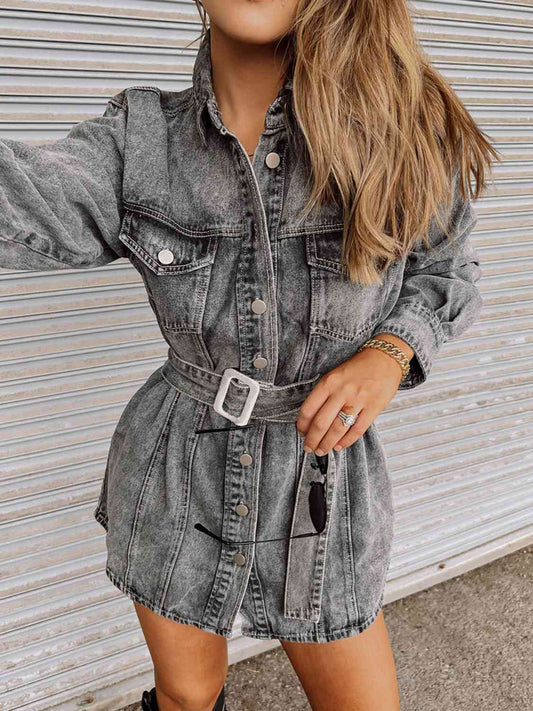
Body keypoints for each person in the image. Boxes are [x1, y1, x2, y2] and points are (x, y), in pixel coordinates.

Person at [0, 1, 500, 709]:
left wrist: (391, 352)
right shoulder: (140, 138)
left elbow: (445, 269)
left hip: (320, 479)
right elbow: (26, 199)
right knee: (186, 694)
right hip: (175, 469)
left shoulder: (398, 126)